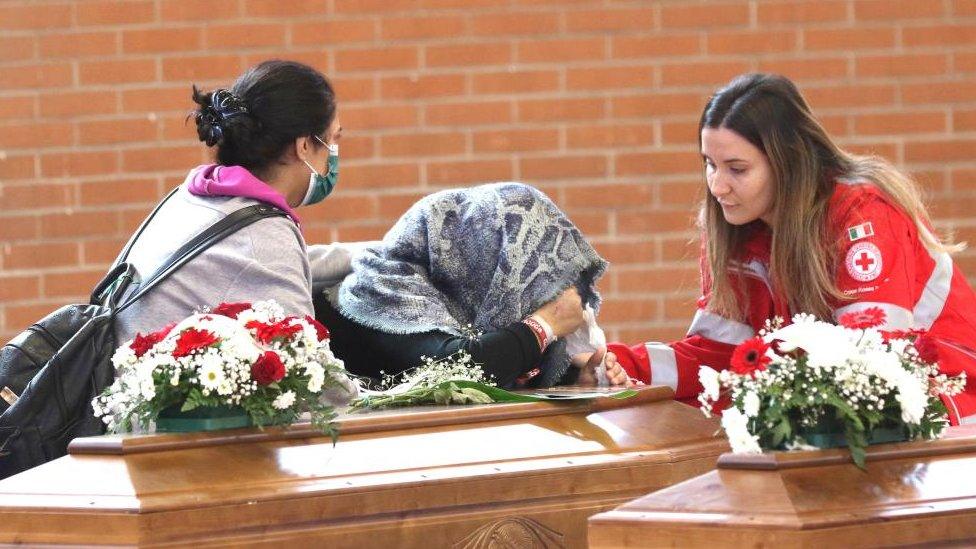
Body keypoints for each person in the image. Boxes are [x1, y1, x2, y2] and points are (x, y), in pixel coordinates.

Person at [605, 73, 976, 425]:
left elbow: (872, 358)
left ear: (788, 162)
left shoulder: (863, 214)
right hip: (845, 415)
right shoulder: (734, 227)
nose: (717, 186)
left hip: (948, 402)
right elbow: (721, 357)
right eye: (709, 164)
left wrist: (768, 359)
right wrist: (623, 366)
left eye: (737, 169)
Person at [113, 59, 354, 345]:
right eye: (332, 140)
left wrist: (376, 254)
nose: (333, 156)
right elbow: (310, 365)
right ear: (303, 147)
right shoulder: (262, 233)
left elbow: (286, 266)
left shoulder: (195, 197)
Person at [316, 182, 632, 389]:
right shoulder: (384, 288)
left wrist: (576, 378)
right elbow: (460, 372)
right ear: (485, 262)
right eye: (529, 272)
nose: (536, 291)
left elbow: (505, 365)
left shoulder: (467, 303)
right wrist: (544, 325)